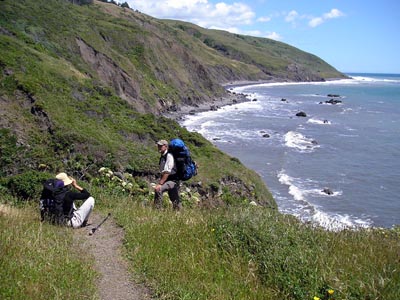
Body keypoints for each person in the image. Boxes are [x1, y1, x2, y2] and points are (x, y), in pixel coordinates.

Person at [154, 139, 181, 210]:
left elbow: (167, 171)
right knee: (175, 200)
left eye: (161, 146)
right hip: (171, 180)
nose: (159, 147)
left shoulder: (169, 155)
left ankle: (157, 210)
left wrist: (160, 183)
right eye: (158, 146)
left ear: (165, 146)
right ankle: (179, 213)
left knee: (158, 190)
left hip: (172, 180)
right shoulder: (163, 156)